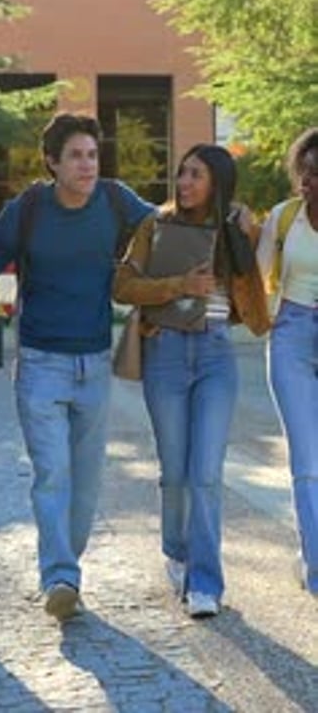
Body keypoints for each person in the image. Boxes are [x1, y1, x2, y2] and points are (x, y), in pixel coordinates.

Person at [0, 112, 153, 622]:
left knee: (86, 482)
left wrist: (228, 214)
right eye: (76, 156)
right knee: (52, 474)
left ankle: (67, 564)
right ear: (52, 163)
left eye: (92, 154)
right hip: (40, 362)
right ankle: (60, 576)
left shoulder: (114, 199)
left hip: (95, 362)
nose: (87, 164)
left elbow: (167, 223)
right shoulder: (29, 209)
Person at [113, 144, 269, 618]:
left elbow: (258, 299)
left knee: (206, 474)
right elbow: (122, 286)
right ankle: (176, 551)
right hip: (166, 353)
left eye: (195, 175)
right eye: (182, 173)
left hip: (216, 355)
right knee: (176, 472)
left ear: (217, 182)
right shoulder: (154, 225)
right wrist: (180, 285)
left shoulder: (237, 226)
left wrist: (247, 231)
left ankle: (206, 583)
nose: (183, 183)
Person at [257, 128, 318, 596]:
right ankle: (315, 564)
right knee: (306, 459)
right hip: (292, 335)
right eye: (307, 172)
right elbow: (255, 279)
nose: (312, 181)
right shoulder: (283, 219)